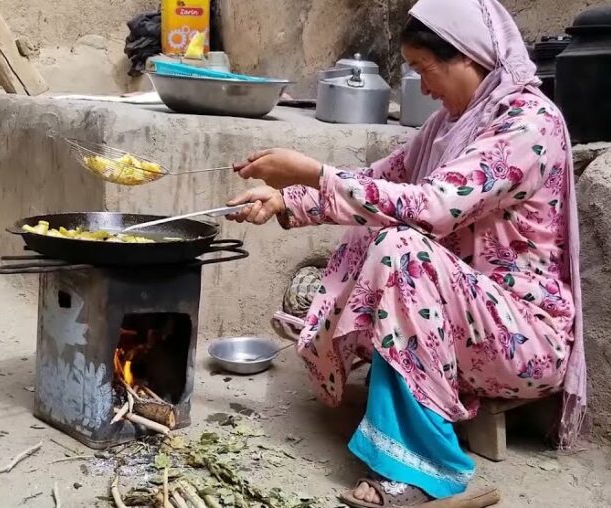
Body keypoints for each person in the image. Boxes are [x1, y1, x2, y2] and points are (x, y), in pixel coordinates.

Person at [227, 0, 587, 506]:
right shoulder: (449, 126)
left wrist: (314, 173)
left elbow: (434, 207)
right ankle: (379, 376)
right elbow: (380, 182)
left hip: (524, 338)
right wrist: (286, 198)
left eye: (424, 69)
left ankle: (419, 471)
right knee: (378, 228)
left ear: (467, 56)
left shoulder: (528, 125)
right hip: (467, 320)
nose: (422, 86)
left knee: (401, 246)